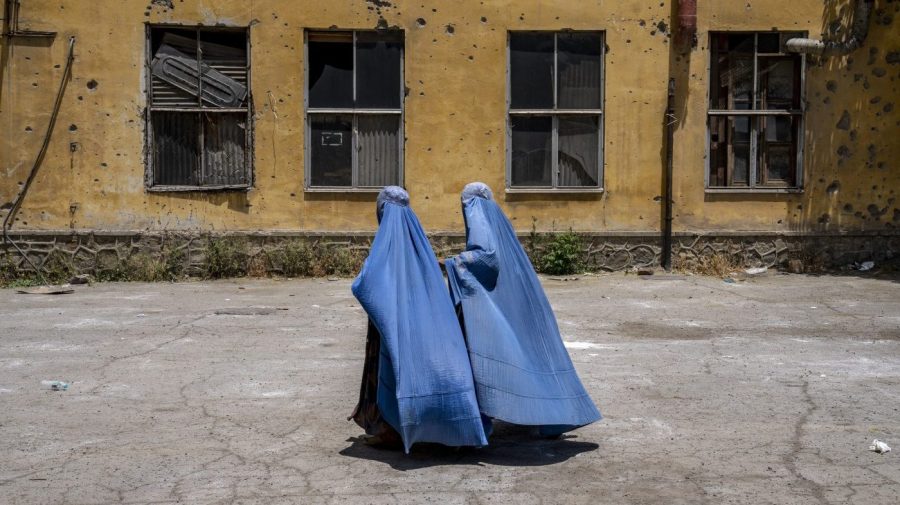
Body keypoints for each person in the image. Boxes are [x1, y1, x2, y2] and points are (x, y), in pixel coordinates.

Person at [445, 182, 601, 436]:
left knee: (491, 356)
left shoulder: (476, 209)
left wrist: (453, 262)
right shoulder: (499, 223)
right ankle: (552, 415)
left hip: (490, 306)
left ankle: (487, 419)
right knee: (528, 354)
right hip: (515, 302)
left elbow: (486, 257)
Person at [350, 186, 489, 453]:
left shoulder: (388, 239)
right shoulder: (417, 238)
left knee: (390, 370)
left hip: (392, 324)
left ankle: (391, 430)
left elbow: (366, 284)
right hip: (421, 323)